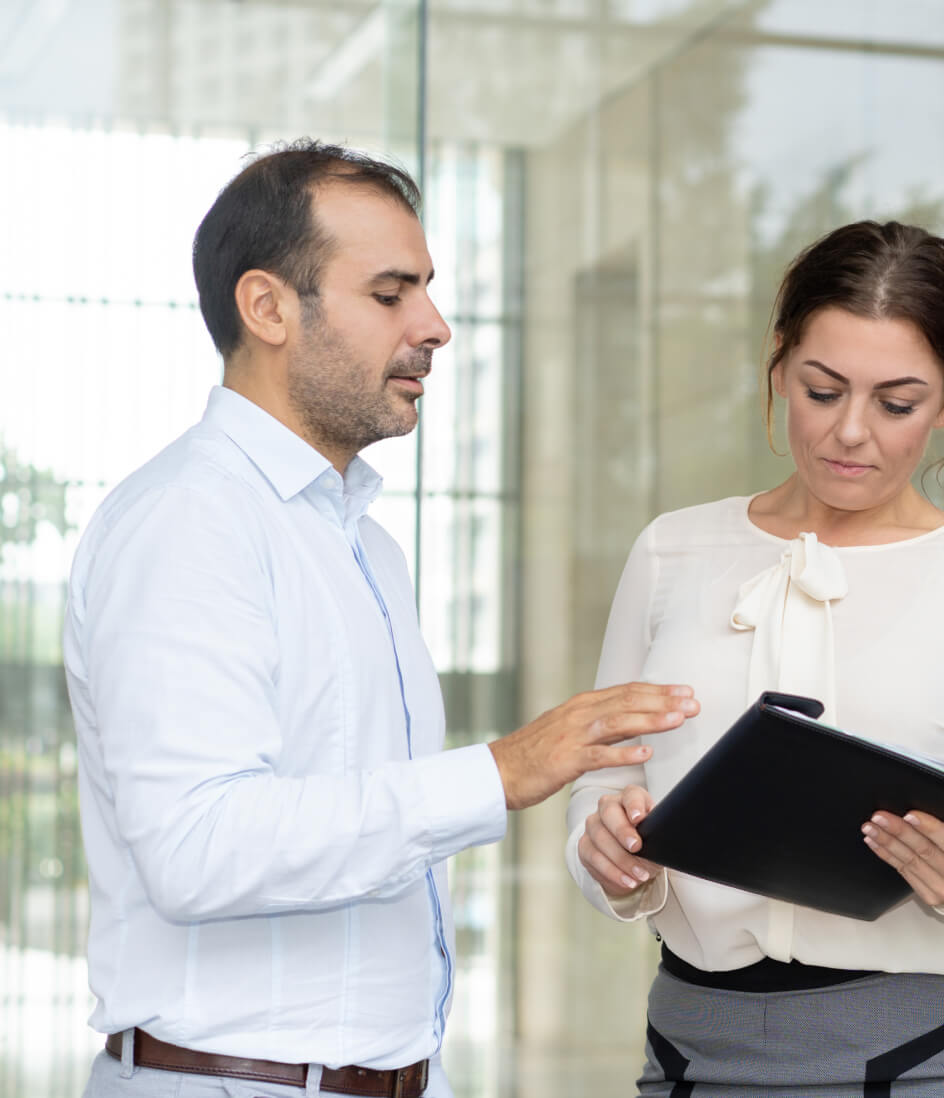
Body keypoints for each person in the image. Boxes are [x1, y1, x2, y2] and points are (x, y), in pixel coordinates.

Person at [64, 140, 698, 1098]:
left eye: (428, 291)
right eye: (391, 293)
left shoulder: (363, 542)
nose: (435, 326)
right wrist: (505, 771)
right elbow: (196, 846)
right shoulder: (191, 524)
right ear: (268, 307)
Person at [564, 220, 944, 1095]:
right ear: (778, 370)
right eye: (823, 389)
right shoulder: (670, 554)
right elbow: (599, 791)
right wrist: (603, 851)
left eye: (897, 403)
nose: (851, 433)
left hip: (923, 1049)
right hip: (693, 1043)